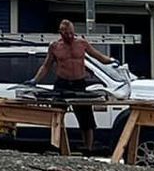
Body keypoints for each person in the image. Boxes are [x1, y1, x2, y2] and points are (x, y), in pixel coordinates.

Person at [35, 20, 116, 151]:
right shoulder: (55, 46)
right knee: (57, 116)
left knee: (86, 119)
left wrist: (111, 61)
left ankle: (88, 148)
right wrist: (35, 80)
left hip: (79, 84)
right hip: (62, 83)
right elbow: (46, 66)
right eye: (66, 34)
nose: (70, 36)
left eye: (72, 33)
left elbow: (98, 56)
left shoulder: (81, 43)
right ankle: (58, 147)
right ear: (61, 33)